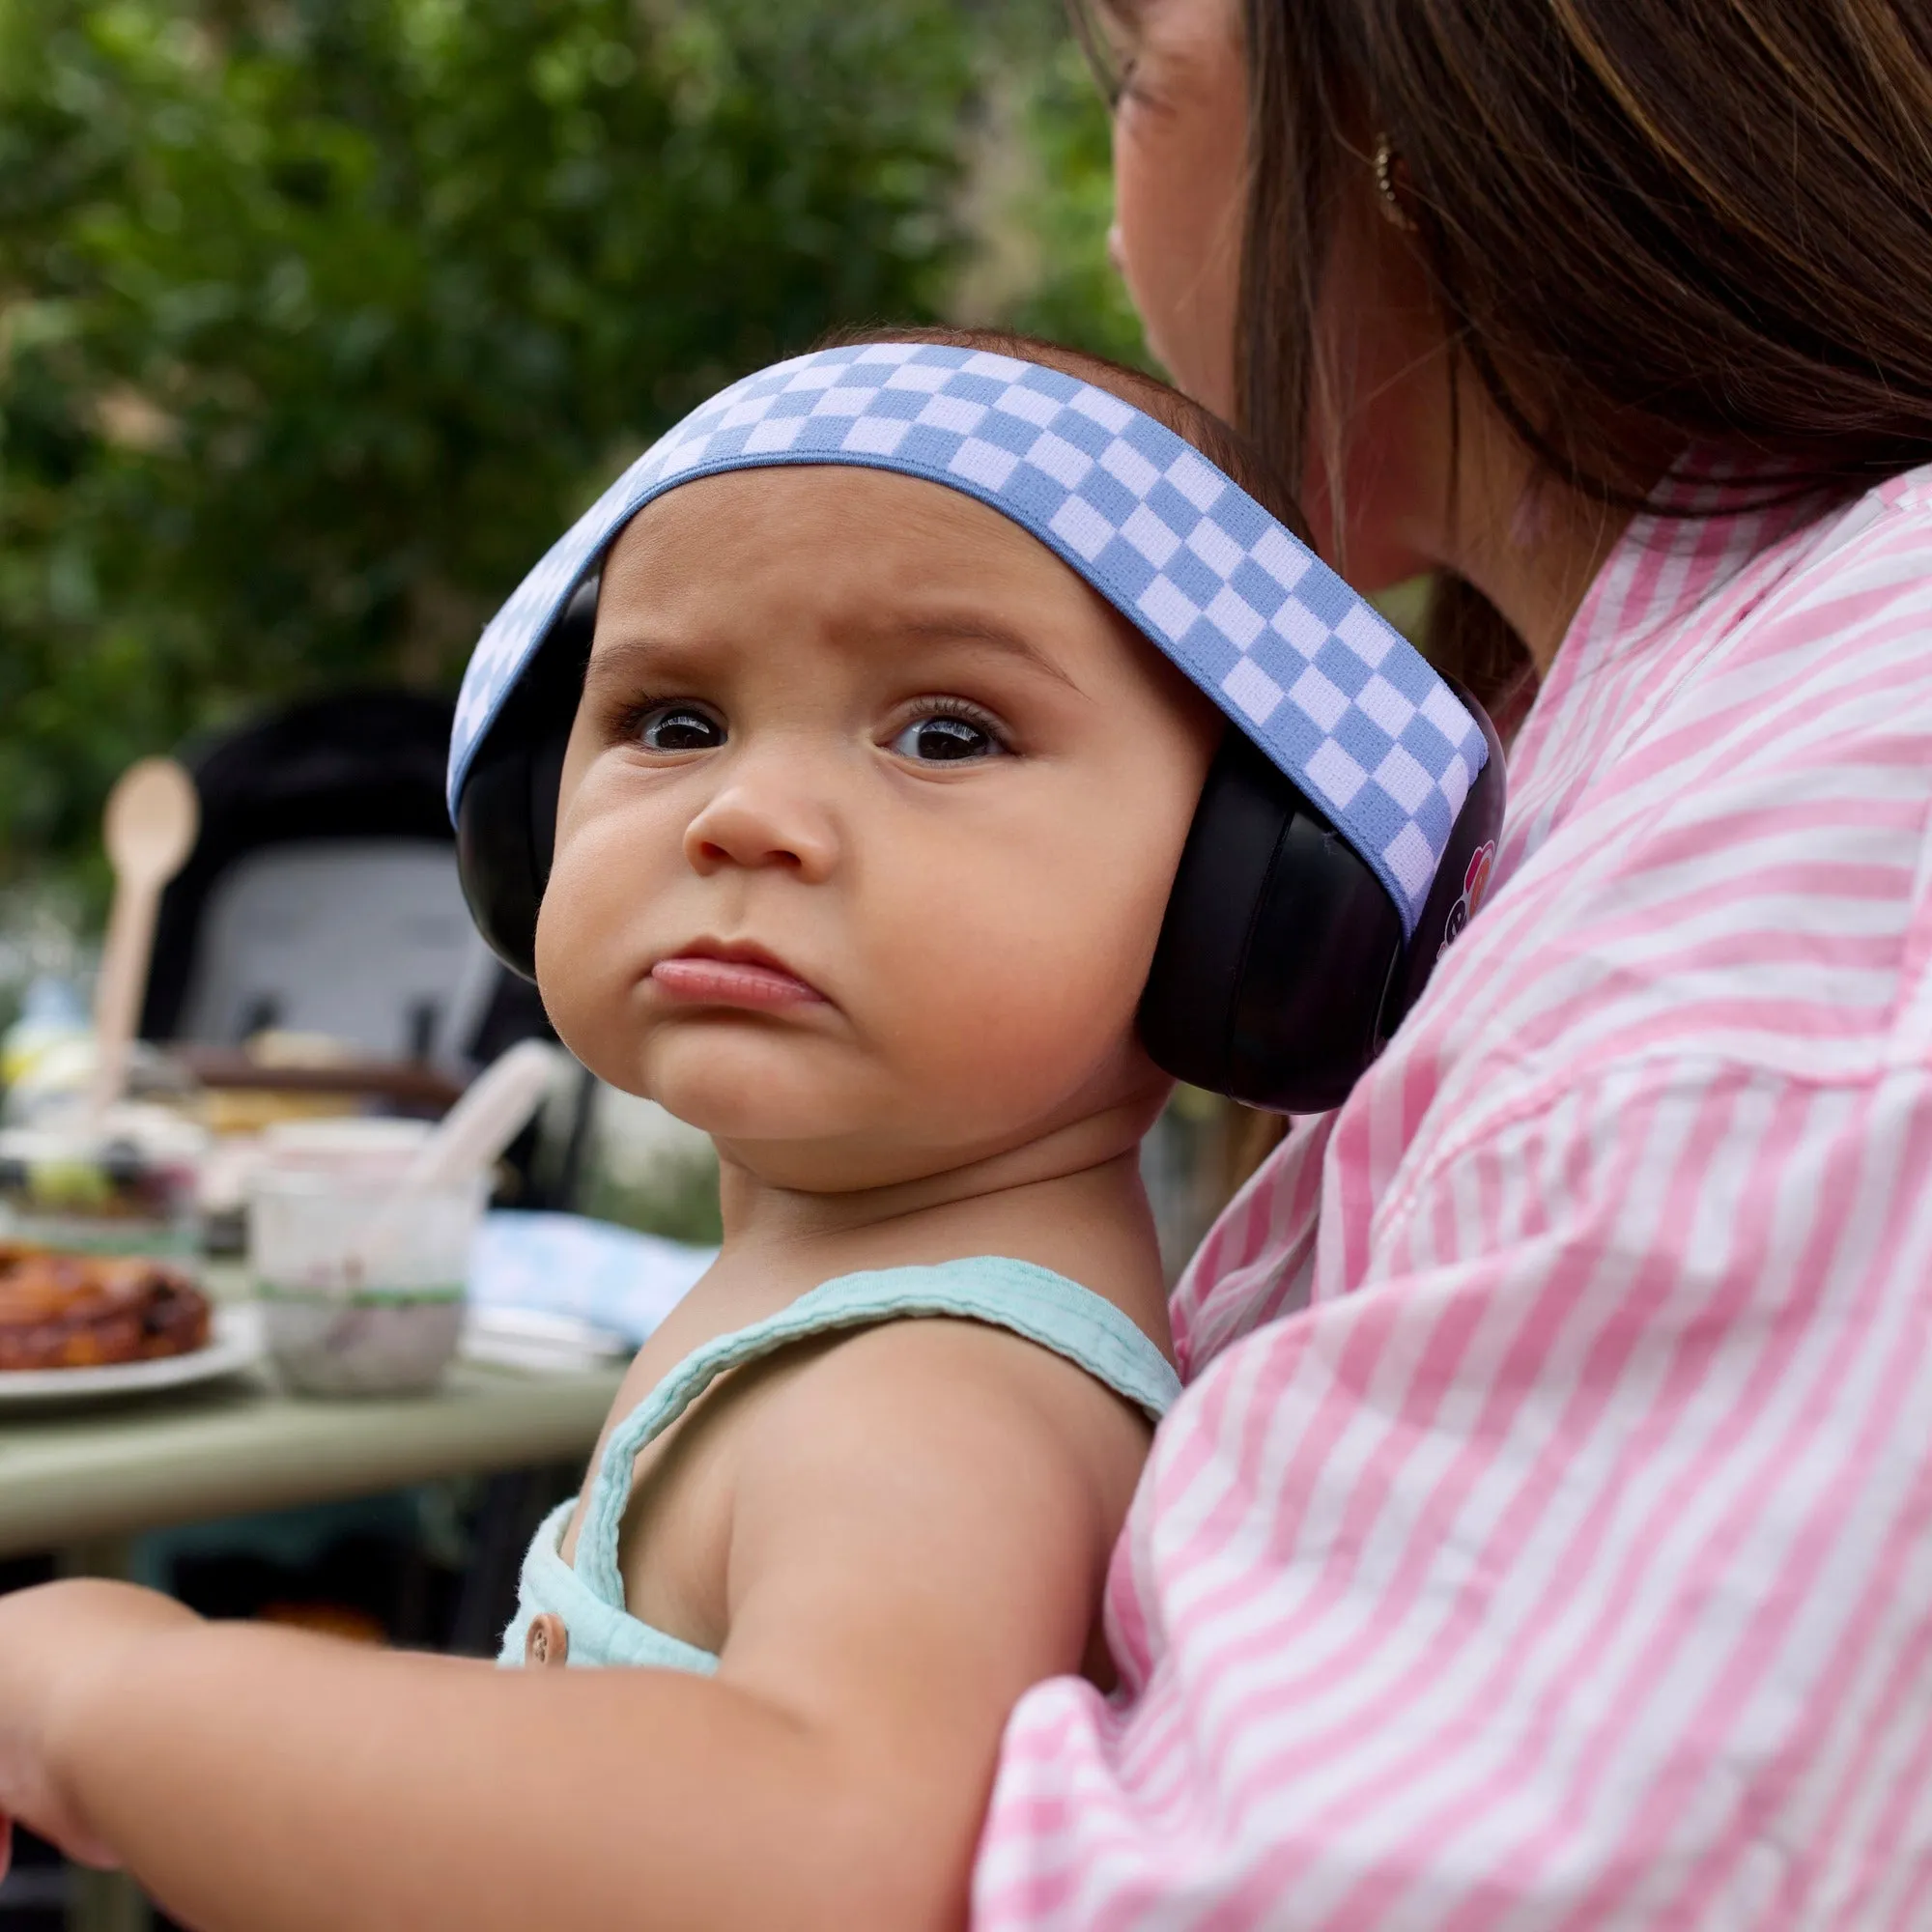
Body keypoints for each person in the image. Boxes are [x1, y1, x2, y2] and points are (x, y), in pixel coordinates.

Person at [0, 330, 1497, 1928]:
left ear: (1246, 903)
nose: (744, 815)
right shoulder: (843, 1311)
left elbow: (825, 1846)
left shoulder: (939, 1388)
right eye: (672, 720)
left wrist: (108, 1704)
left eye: (945, 734)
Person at [970, 1, 1932, 1924]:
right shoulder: (1620, 750)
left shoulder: (1816, 871)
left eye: (1134, 80)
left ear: (1396, 121)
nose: (1109, 222)